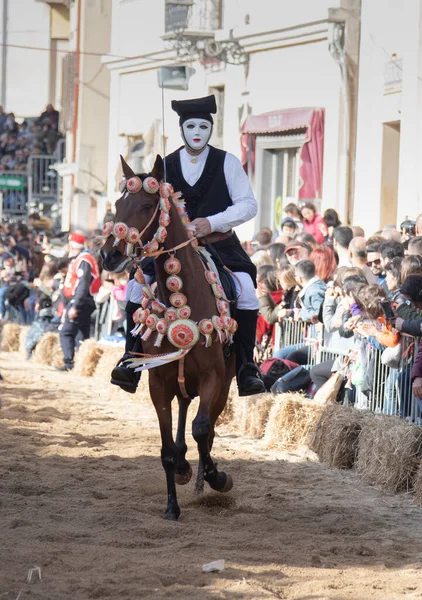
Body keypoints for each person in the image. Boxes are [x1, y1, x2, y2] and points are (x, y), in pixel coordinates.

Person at [114, 95, 265, 397]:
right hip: (171, 249)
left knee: (246, 289)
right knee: (134, 288)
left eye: (203, 126)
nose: (197, 132)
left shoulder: (228, 162)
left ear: (210, 130)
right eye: (191, 126)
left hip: (219, 244)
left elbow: (249, 205)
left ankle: (247, 366)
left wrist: (213, 221)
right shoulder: (165, 166)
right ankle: (130, 357)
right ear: (182, 130)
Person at [58, 232, 100, 371]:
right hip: (81, 301)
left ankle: (69, 363)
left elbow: (83, 285)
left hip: (81, 301)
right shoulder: (79, 259)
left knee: (67, 332)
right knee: (82, 334)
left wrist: (75, 305)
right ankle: (82, 365)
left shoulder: (83, 260)